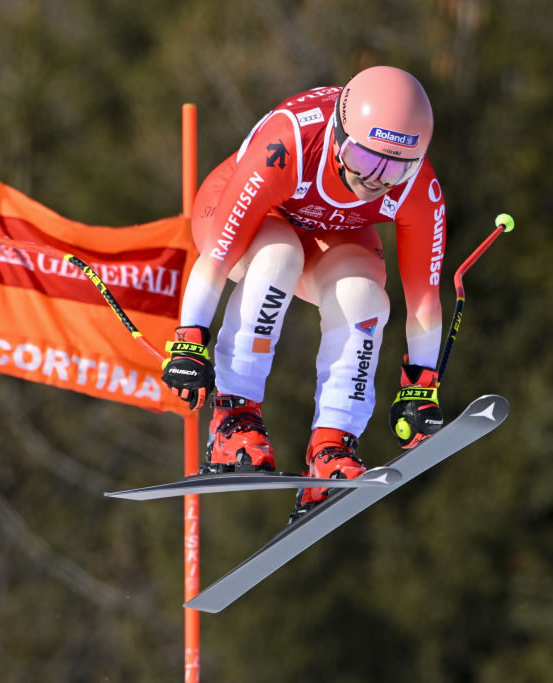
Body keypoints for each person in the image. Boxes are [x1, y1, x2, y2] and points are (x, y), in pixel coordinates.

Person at [161, 65, 446, 519]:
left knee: (365, 297)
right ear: (338, 133)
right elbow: (216, 258)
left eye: (395, 167)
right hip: (242, 215)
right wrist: (190, 336)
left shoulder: (419, 189)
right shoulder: (290, 140)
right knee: (278, 256)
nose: (375, 178)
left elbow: (425, 305)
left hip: (332, 231)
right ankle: (235, 417)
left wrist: (421, 387)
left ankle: (331, 448)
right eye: (365, 159)